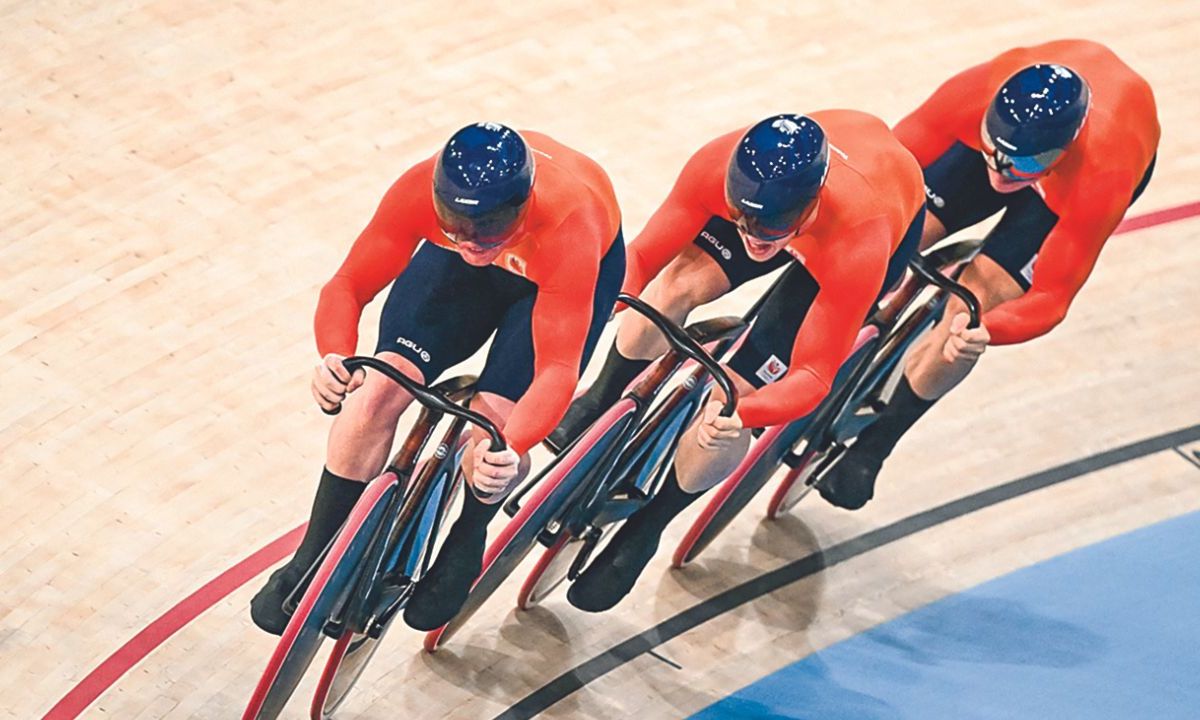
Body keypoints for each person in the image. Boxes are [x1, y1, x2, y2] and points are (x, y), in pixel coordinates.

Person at [250, 122, 625, 634]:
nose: (473, 243)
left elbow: (557, 368)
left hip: (554, 278)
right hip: (471, 271)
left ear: (522, 205)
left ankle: (468, 533)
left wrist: (510, 446)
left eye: (488, 229)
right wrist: (334, 357)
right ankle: (311, 560)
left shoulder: (568, 224)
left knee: (491, 432)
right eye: (457, 227)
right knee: (375, 393)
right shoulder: (420, 195)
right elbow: (348, 284)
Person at [557, 111, 926, 612]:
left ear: (810, 201)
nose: (752, 234)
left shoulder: (860, 236)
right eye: (741, 216)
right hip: (808, 207)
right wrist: (614, 300)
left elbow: (813, 375)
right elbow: (641, 258)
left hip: (850, 233)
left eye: (768, 225)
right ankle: (604, 397)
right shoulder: (718, 166)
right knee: (674, 288)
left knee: (739, 392)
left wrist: (743, 416)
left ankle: (648, 527)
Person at [818, 39, 1159, 511]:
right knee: (892, 234)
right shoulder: (976, 96)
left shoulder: (1102, 174)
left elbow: (1052, 299)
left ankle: (874, 449)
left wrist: (986, 331)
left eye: (1025, 164)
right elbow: (889, 168)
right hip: (1021, 145)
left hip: (1068, 189)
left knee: (971, 307)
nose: (1002, 171)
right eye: (996, 149)